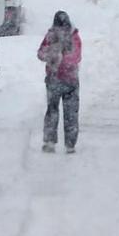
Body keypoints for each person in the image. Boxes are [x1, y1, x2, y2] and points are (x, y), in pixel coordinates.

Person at [38, 11, 82, 154]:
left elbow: (40, 53)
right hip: (70, 80)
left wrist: (53, 57)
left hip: (54, 79)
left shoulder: (51, 35)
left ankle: (50, 141)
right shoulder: (74, 36)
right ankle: (70, 144)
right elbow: (76, 57)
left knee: (52, 111)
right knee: (70, 113)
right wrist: (64, 60)